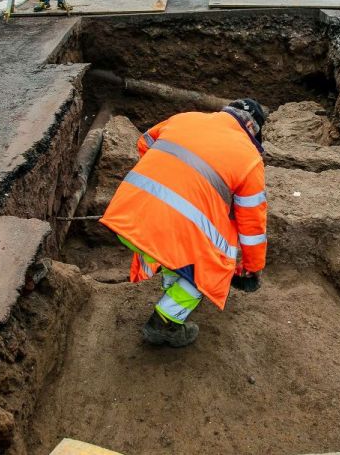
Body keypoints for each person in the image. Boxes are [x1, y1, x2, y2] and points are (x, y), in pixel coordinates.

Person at [100, 99, 269, 348]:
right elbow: (252, 225)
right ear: (253, 130)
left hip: (127, 217)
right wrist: (252, 267)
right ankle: (165, 322)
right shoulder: (250, 159)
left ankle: (172, 284)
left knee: (183, 243)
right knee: (216, 262)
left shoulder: (185, 118)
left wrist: (167, 173)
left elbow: (144, 142)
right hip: (165, 233)